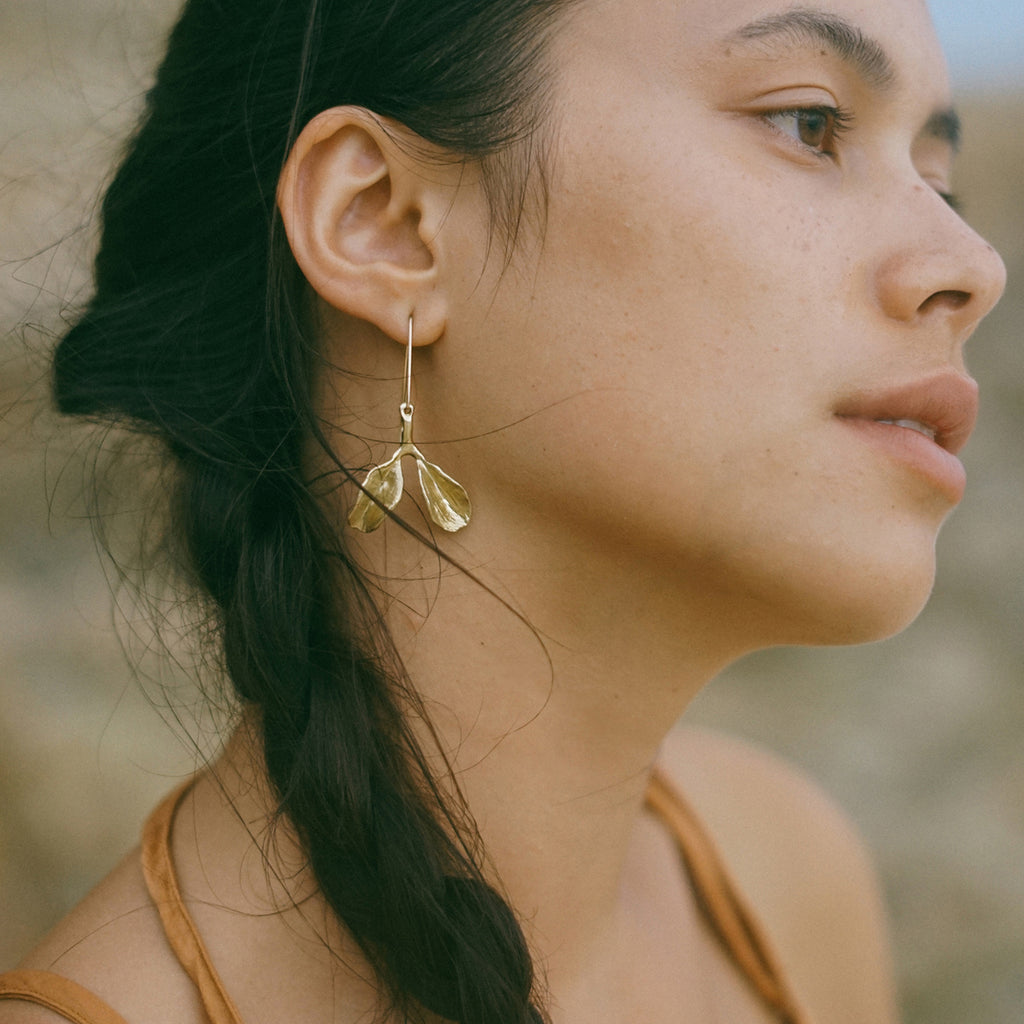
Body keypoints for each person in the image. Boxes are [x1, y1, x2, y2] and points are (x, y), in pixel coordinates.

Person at [0, 0, 1006, 1021]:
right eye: (810, 123)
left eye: (937, 177)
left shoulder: (776, 880)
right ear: (386, 223)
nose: (973, 265)